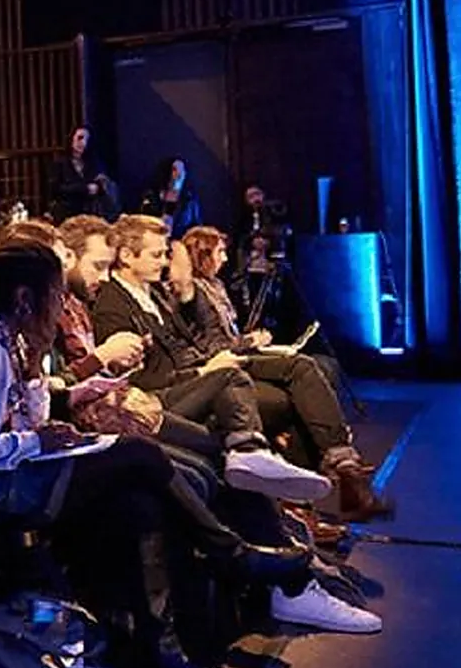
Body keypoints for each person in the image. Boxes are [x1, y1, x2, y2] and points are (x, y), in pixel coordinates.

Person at [0, 244, 318, 668]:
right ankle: (233, 556)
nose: (62, 305)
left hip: (17, 471)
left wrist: (44, 379)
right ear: (26, 298)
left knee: (142, 504)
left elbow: (29, 417)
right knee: (139, 454)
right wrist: (31, 440)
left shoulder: (12, 339)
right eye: (54, 294)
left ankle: (163, 647)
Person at [91, 215, 333, 503]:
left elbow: (187, 329)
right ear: (127, 256)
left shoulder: (152, 292)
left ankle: (305, 488)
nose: (165, 262)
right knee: (256, 391)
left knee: (292, 385)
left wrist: (208, 366)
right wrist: (204, 371)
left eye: (165, 254)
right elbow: (139, 381)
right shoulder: (112, 307)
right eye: (157, 255)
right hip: (159, 397)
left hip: (193, 378)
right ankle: (253, 456)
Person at [172, 230, 389, 521]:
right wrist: (251, 342)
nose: (225, 258)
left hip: (239, 353)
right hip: (224, 362)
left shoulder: (216, 286)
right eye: (218, 252)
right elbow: (214, 345)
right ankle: (342, 463)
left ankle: (330, 487)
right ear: (202, 256)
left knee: (316, 373)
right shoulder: (194, 291)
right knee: (301, 367)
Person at [139, 156, 202, 238]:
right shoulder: (151, 195)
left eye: (181, 170)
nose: (178, 173)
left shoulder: (190, 199)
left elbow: (196, 225)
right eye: (175, 169)